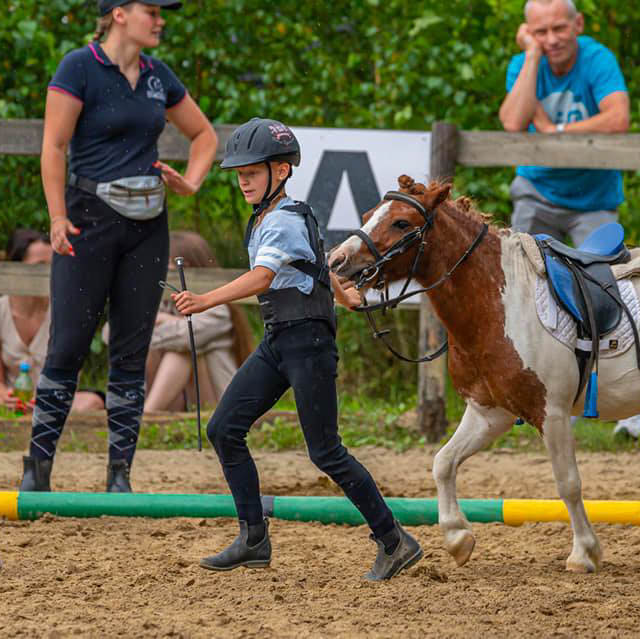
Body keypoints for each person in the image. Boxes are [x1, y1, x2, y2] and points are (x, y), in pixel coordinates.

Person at [172, 118, 423, 581]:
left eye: (252, 171)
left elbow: (264, 278)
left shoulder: (283, 219)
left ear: (281, 171)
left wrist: (206, 300)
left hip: (305, 344)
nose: (243, 179)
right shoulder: (286, 215)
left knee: (326, 452)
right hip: (280, 341)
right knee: (225, 428)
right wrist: (343, 292)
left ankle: (394, 540)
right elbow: (313, 264)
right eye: (240, 172)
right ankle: (253, 537)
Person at [25, 0, 218, 494]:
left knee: (132, 350)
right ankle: (37, 468)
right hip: (88, 218)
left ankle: (119, 476)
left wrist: (191, 183)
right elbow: (53, 145)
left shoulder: (159, 75)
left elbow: (204, 135)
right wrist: (57, 216)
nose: (160, 20)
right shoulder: (79, 66)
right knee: (67, 344)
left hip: (148, 226)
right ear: (118, 14)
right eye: (151, 11)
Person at [499, 0, 640, 440]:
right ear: (529, 33)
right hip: (537, 192)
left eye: (560, 28)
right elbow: (512, 120)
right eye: (540, 32)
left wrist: (555, 133)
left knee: (610, 287)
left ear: (577, 25)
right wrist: (530, 57)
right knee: (521, 288)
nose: (552, 39)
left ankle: (629, 406)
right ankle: (525, 397)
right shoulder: (524, 63)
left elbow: (619, 118)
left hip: (593, 199)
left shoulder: (597, 58)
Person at [0, 230, 105, 417]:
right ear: (16, 268)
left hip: (52, 398)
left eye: (53, 265)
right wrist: (7, 398)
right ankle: (20, 414)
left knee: (92, 401)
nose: (48, 273)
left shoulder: (68, 311)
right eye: (39, 266)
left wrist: (45, 397)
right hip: (6, 399)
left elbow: (70, 378)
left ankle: (34, 414)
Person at [142, 231, 255, 411]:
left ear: (188, 266)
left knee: (183, 350)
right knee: (156, 350)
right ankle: (142, 408)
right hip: (182, 399)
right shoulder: (165, 300)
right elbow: (112, 333)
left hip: (219, 400)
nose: (163, 269)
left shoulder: (218, 308)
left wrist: (161, 321)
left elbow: (187, 337)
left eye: (169, 263)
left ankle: (147, 415)